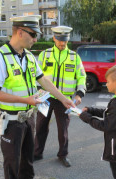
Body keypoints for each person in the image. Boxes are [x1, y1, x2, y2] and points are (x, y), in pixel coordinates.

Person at [0, 15, 75, 179]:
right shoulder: (0, 57)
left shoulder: (29, 56)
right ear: (20, 32)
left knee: (27, 153)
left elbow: (44, 81)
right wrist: (26, 100)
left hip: (29, 116)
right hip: (11, 119)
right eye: (33, 35)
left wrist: (62, 98)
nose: (35, 39)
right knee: (12, 160)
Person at [33, 26, 86, 167]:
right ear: (54, 38)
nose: (62, 43)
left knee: (63, 129)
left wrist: (80, 94)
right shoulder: (45, 55)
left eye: (65, 40)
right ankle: (37, 153)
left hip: (64, 99)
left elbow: (81, 76)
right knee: (40, 126)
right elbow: (35, 77)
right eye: (60, 40)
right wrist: (38, 93)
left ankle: (63, 155)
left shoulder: (74, 57)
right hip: (45, 97)